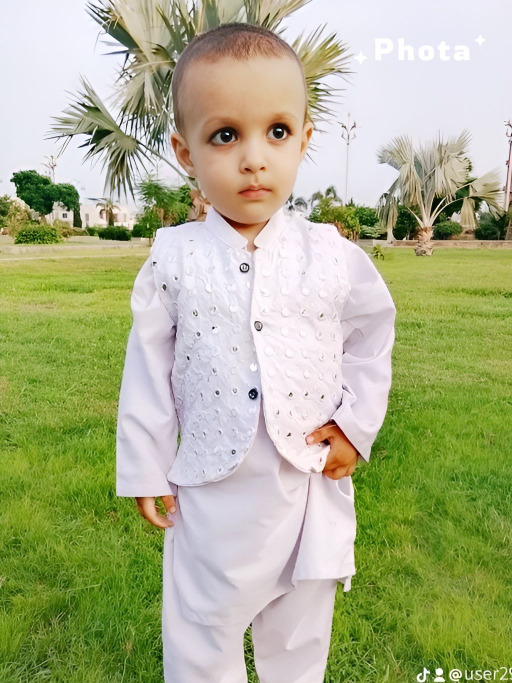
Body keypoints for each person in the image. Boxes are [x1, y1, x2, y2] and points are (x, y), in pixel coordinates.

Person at [116, 22, 397, 683]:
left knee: (299, 641)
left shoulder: (330, 253)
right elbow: (148, 370)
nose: (253, 158)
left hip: (305, 490)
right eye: (225, 135)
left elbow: (371, 334)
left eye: (276, 132)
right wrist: (145, 466)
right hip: (212, 497)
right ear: (186, 151)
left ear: (304, 139)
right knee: (201, 635)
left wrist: (355, 426)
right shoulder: (174, 258)